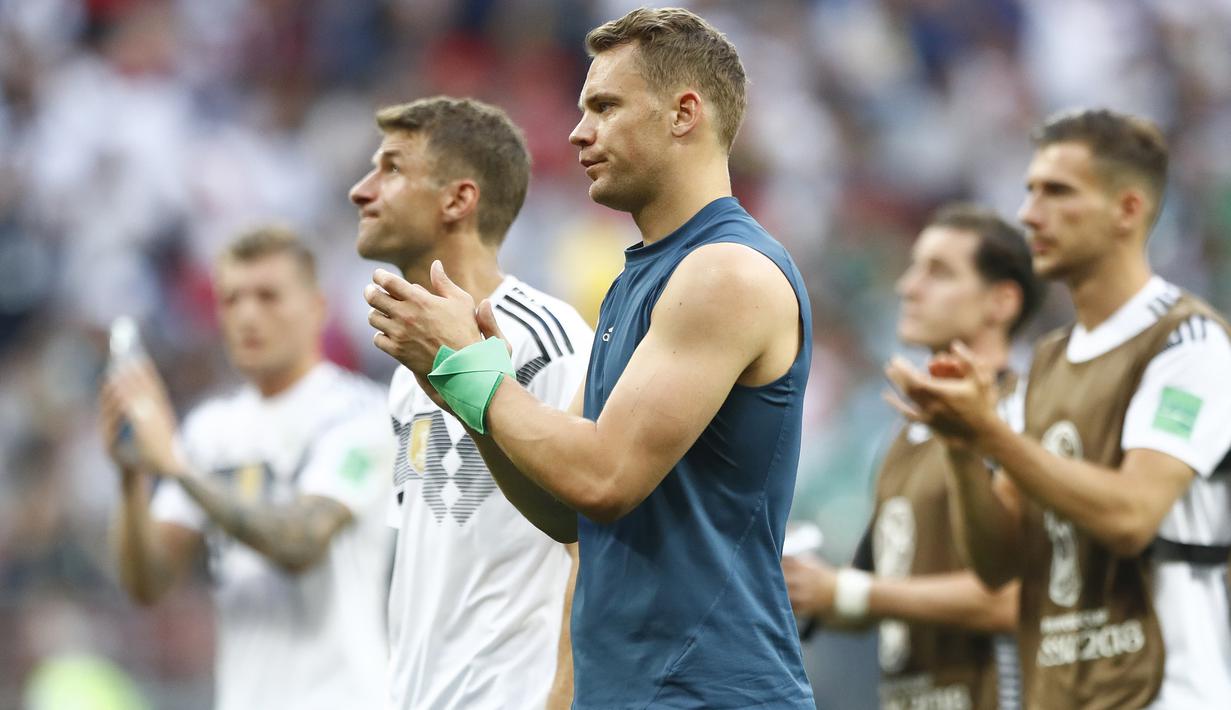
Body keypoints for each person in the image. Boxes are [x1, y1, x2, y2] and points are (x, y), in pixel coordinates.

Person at [361, 8, 814, 708]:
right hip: (633, 690)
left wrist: (469, 369)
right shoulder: (638, 281)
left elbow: (606, 478)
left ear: (682, 113)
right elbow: (567, 513)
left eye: (604, 106)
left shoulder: (725, 270)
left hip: (707, 689)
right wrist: (454, 379)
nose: (578, 132)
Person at [887, 109, 1231, 709]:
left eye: (1057, 192)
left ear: (1127, 210)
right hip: (1060, 692)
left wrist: (992, 434)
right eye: (1029, 191)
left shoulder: (1187, 342)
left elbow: (1133, 515)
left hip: (1164, 692)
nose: (1028, 214)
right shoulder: (1048, 361)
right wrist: (963, 448)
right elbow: (999, 566)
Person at [348, 96, 590, 710]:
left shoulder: (550, 340)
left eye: (392, 169)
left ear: (458, 200)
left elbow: (590, 546)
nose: (361, 190)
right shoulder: (409, 371)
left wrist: (562, 700)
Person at [100, 226, 394, 710]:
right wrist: (131, 475)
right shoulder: (211, 429)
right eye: (232, 299)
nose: (247, 315)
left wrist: (173, 465)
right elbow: (147, 582)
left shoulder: (360, 413)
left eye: (268, 296)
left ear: (317, 307)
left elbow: (301, 540)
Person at [784, 204, 1040, 710]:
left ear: (1002, 302)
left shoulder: (1024, 416)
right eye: (914, 266)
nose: (908, 287)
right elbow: (874, 589)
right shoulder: (905, 435)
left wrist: (851, 594)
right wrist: (807, 585)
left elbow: (1020, 598)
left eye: (939, 272)